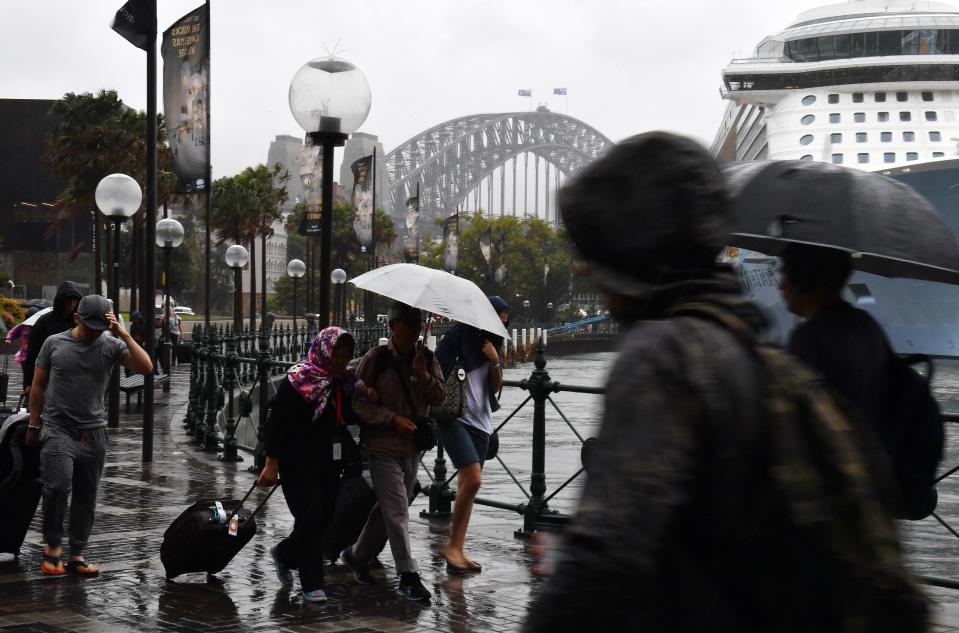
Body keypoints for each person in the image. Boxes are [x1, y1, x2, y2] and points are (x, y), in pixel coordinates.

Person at [522, 132, 924, 631]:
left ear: (630, 250)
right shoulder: (751, 347)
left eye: (593, 246)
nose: (583, 266)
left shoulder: (664, 356)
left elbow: (605, 558)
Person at [25, 294, 152, 576]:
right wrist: (34, 424)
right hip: (58, 427)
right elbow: (38, 386)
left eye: (100, 326)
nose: (95, 332)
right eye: (90, 325)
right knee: (57, 487)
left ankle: (77, 554)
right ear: (76, 318)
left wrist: (124, 333)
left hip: (93, 431)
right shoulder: (54, 343)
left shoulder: (110, 344)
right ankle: (54, 549)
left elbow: (146, 368)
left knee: (87, 494)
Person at [341, 301, 445, 603]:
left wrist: (424, 376)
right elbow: (358, 402)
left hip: (413, 448)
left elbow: (439, 398)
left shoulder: (426, 358)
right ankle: (408, 576)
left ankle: (358, 555)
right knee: (398, 506)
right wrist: (391, 419)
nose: (414, 331)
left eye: (418, 324)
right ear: (393, 326)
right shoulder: (377, 359)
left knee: (389, 507)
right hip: (382, 446)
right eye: (408, 324)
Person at [257, 327, 361, 603]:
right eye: (339, 354)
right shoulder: (299, 380)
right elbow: (278, 424)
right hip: (296, 462)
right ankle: (312, 583)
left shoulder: (341, 382)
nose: (344, 360)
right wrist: (271, 464)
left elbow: (349, 416)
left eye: (348, 355)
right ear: (326, 351)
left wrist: (365, 395)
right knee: (311, 516)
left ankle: (286, 553)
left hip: (328, 462)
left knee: (325, 516)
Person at [779, 243, 891, 438]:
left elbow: (793, 424)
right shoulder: (867, 325)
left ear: (804, 278)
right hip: (877, 453)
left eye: (785, 274)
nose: (780, 285)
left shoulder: (809, 339)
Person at [434, 296, 508, 572]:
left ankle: (458, 549)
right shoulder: (460, 333)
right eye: (499, 314)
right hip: (455, 416)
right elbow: (437, 364)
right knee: (474, 479)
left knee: (468, 485)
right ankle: (452, 547)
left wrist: (494, 360)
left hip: (481, 421)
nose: (503, 321)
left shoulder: (493, 343)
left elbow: (496, 385)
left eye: (505, 316)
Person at [23, 281, 82, 393]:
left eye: (75, 300)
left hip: (72, 377)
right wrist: (28, 383)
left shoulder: (79, 322)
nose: (72, 303)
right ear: (62, 300)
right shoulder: (44, 322)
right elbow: (32, 352)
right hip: (47, 373)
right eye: (69, 299)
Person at [6, 307, 38, 392]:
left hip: (37, 355)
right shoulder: (24, 326)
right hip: (24, 355)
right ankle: (26, 394)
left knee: (36, 376)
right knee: (26, 375)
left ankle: (34, 393)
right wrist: (8, 339)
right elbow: (12, 332)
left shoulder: (40, 325)